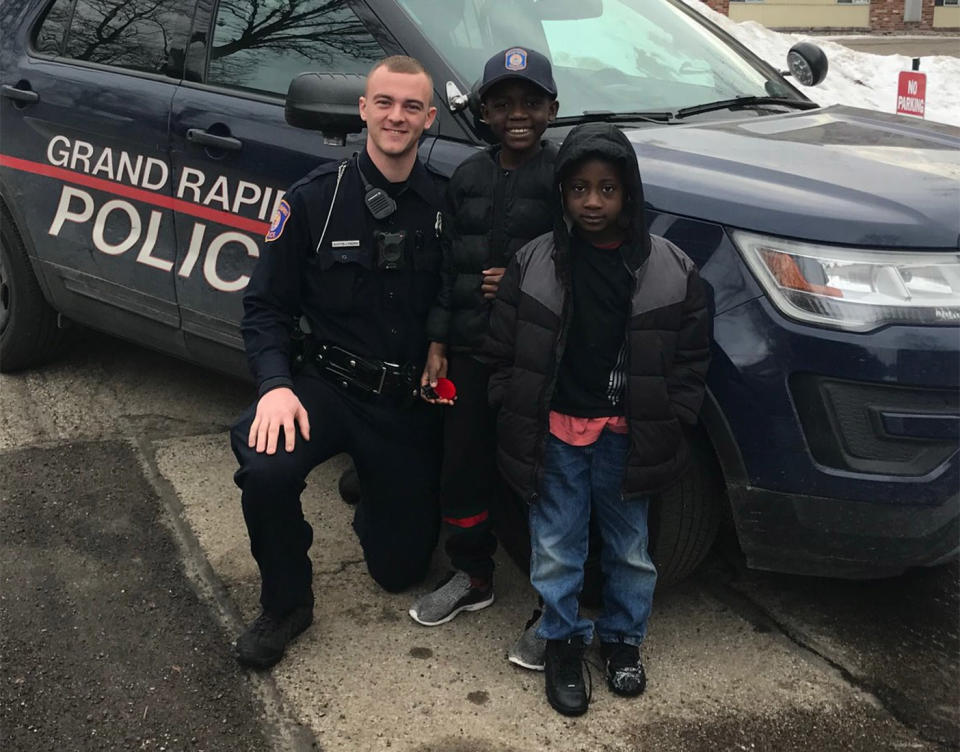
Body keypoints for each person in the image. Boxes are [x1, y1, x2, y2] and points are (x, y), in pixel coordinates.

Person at [482, 122, 711, 716]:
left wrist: (675, 415)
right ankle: (561, 642)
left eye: (607, 189)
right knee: (557, 544)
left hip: (626, 437)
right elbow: (503, 348)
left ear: (628, 194)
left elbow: (690, 356)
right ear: (562, 193)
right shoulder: (533, 263)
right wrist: (508, 399)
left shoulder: (671, 269)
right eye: (579, 188)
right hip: (555, 431)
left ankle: (622, 638)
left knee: (629, 547)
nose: (592, 201)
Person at [230, 56, 444, 669]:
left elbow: (459, 298)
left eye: (410, 107)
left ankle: (373, 488)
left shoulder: (446, 208)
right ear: (363, 110)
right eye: (384, 103)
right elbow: (264, 307)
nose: (395, 117)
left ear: (428, 118)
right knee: (265, 469)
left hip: (404, 404)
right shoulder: (314, 202)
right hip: (326, 385)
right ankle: (287, 602)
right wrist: (274, 385)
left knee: (399, 572)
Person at [407, 47, 559, 629]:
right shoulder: (467, 175)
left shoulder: (565, 176)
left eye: (529, 103)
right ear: (484, 114)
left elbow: (586, 263)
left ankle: (555, 595)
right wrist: (438, 344)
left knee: (538, 473)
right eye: (501, 105)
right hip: (468, 352)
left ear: (551, 109)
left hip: (535, 357)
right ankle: (471, 575)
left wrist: (526, 278)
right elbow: (449, 270)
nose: (515, 114)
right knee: (463, 465)